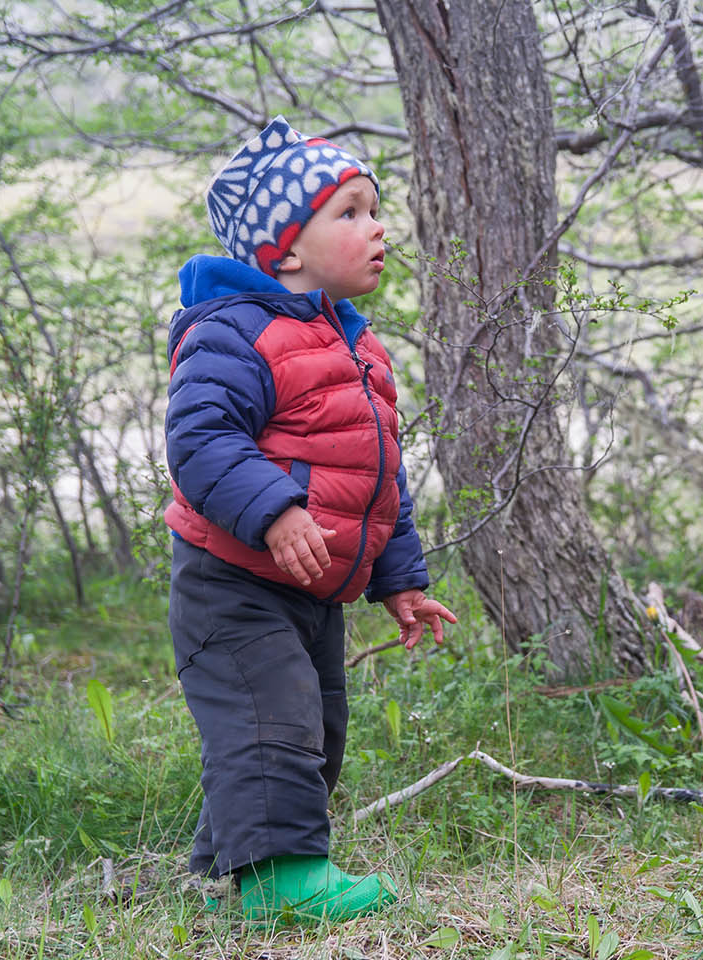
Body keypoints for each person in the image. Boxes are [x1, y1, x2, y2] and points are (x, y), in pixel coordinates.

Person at [163, 116, 456, 925]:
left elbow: (374, 479)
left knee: (314, 724)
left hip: (309, 583)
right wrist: (277, 511)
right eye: (352, 212)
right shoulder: (235, 332)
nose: (378, 227)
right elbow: (199, 438)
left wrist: (400, 582)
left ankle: (225, 878)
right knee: (273, 719)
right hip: (234, 580)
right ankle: (282, 882)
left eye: (375, 208)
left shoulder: (355, 346)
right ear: (286, 249)